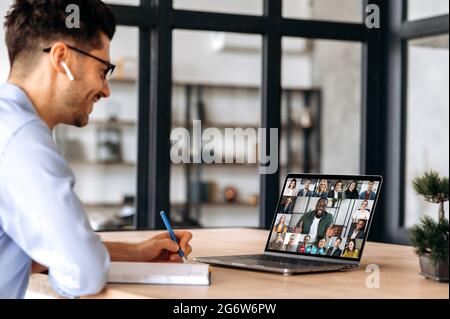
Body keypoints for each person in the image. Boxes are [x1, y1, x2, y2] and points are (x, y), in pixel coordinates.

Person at [0, 1, 193, 299]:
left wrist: (134, 252)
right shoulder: (22, 141)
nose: (106, 89)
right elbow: (84, 273)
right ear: (61, 58)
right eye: (103, 70)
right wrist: (68, 265)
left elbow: (40, 250)